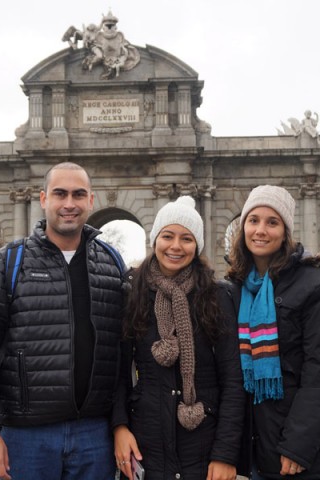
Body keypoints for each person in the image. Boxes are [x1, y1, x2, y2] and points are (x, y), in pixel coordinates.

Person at [0, 162, 125, 480]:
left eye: (78, 194)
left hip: (95, 432)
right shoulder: (5, 263)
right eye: (59, 193)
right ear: (43, 198)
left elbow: (122, 353)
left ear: (91, 200)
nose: (69, 204)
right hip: (25, 435)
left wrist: (121, 425)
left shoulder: (112, 264)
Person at [112, 196, 245, 480]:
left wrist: (225, 454)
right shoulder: (131, 294)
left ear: (197, 246)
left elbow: (233, 380)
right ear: (155, 239)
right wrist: (120, 427)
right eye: (167, 236)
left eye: (186, 238)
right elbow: (118, 373)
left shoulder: (218, 296)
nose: (175, 246)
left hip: (204, 443)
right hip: (145, 439)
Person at [225, 185, 320, 480]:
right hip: (259, 446)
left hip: (305, 452)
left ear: (286, 231)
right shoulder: (236, 287)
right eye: (253, 220)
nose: (261, 230)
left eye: (273, 222)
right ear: (242, 226)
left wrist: (298, 446)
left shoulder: (319, 284)